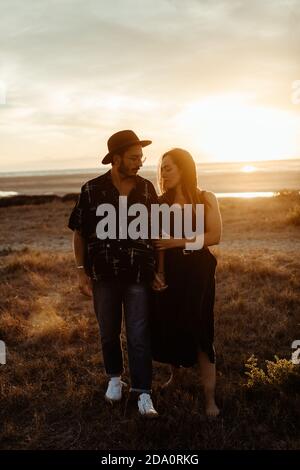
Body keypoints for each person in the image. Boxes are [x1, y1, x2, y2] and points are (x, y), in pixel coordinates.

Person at [68, 130, 159, 418]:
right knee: (108, 332)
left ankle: (143, 392)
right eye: (133, 158)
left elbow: (156, 232)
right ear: (116, 159)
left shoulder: (146, 189)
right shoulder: (91, 190)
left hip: (138, 275)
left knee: (139, 334)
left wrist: (159, 269)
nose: (140, 163)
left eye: (141, 158)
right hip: (103, 276)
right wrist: (81, 272)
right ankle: (115, 379)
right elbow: (79, 233)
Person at [151, 148, 222, 417]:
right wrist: (159, 272)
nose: (163, 172)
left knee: (199, 326)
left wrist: (177, 241)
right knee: (171, 323)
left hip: (198, 270)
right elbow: (159, 242)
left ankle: (210, 399)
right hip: (171, 269)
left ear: (184, 168)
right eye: (161, 168)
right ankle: (176, 376)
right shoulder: (159, 202)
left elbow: (214, 235)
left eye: (168, 167)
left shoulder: (206, 198)